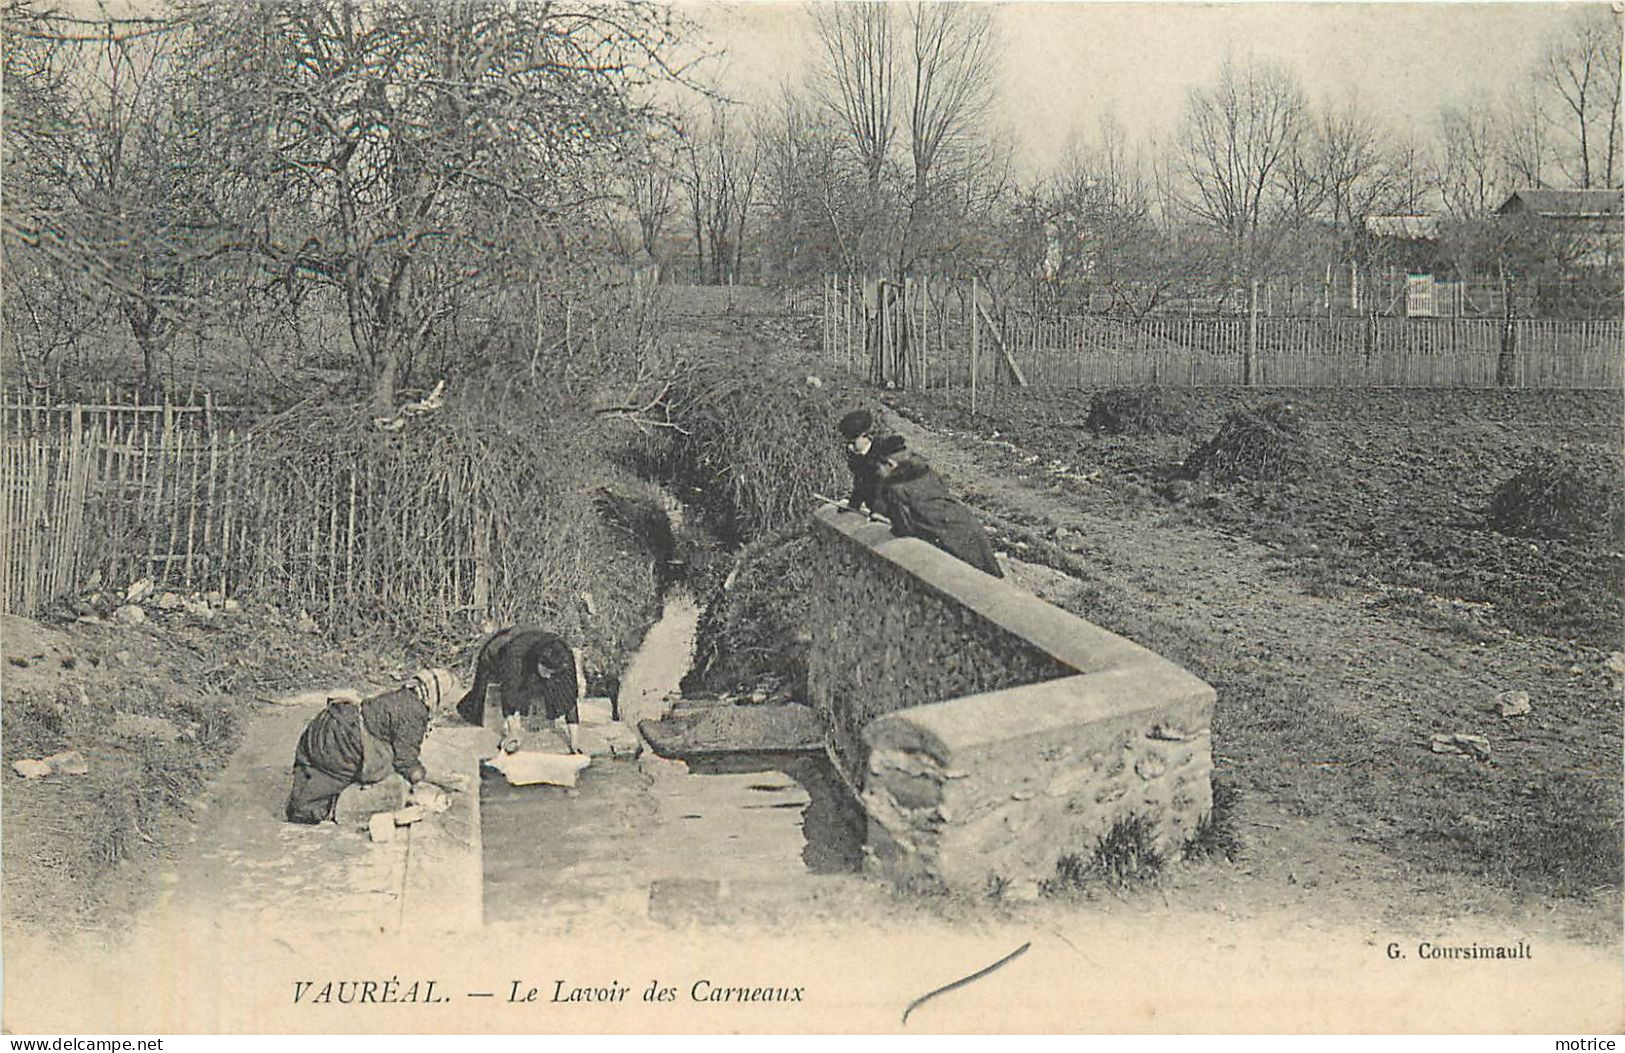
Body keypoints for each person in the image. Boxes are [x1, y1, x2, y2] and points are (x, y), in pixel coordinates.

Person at [285, 670, 448, 825]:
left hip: (328, 722)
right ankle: (307, 810)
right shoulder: (415, 712)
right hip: (345, 740)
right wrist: (420, 779)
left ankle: (301, 795)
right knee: (336, 776)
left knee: (314, 766)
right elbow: (405, 759)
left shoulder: (400, 695)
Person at [871, 435, 1004, 578]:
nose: (877, 472)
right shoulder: (927, 472)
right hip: (968, 525)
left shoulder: (894, 489)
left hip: (947, 538)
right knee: (989, 575)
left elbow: (905, 530)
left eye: (878, 467)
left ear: (890, 464)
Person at [455, 626, 583, 754]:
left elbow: (569, 698)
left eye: (552, 672)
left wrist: (574, 742)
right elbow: (509, 693)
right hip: (498, 650)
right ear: (539, 662)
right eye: (547, 671)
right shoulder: (516, 655)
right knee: (478, 701)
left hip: (532, 643)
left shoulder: (564, 656)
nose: (549, 675)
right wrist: (513, 732)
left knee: (548, 685)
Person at [837, 408, 885, 514]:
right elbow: (861, 484)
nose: (850, 447)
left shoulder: (883, 454)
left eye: (853, 443)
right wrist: (852, 505)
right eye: (847, 444)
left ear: (866, 436)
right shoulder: (857, 455)